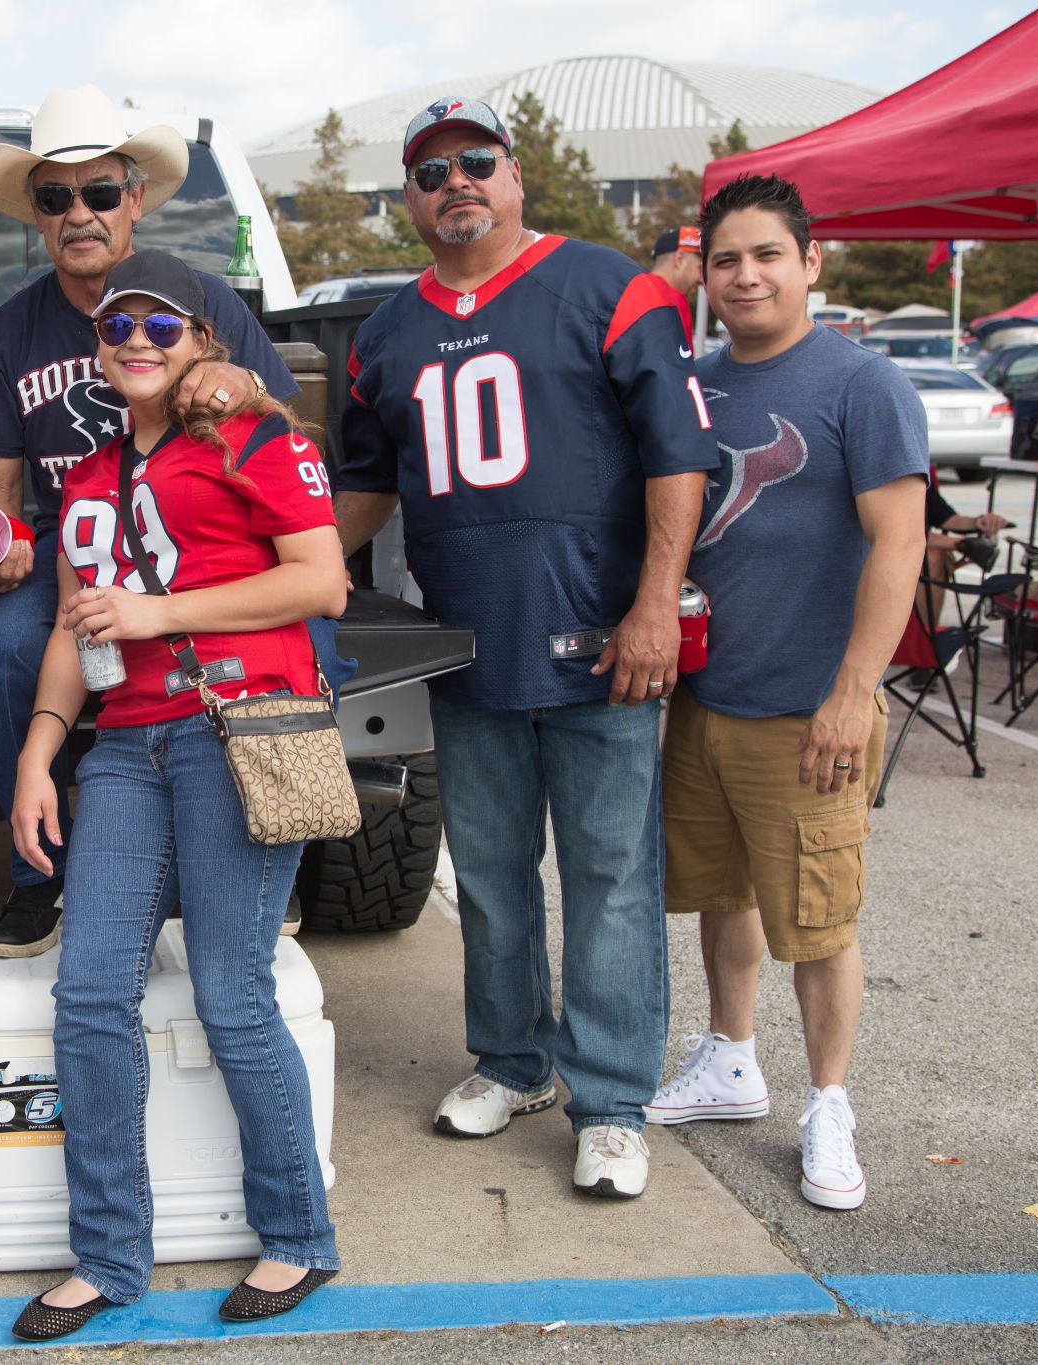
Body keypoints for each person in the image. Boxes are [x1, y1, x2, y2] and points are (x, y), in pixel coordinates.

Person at [333, 97, 717, 1200]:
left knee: (608, 878)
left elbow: (674, 458)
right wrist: (269, 562)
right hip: (469, 645)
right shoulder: (386, 334)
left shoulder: (608, 287)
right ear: (407, 199)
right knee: (494, 880)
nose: (453, 180)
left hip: (604, 640)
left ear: (513, 176)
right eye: (428, 170)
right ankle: (514, 1061)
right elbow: (361, 493)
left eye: (474, 161)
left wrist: (655, 602)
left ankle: (609, 1102)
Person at [9, 252, 346, 1342]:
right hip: (122, 746)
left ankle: (297, 1234)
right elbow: (75, 622)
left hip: (233, 731)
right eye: (118, 328)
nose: (138, 343)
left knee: (229, 990)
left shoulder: (254, 438)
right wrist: (37, 752)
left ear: (202, 341)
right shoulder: (88, 472)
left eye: (161, 327)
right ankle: (109, 1255)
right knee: (87, 994)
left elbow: (319, 580)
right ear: (96, 348)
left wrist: (163, 616)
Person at [0, 84, 305, 959]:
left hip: (202, 539)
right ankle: (41, 872)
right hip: (74, 543)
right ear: (36, 216)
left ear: (135, 199)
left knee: (315, 639)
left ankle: (268, 846)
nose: (79, 212)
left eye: (100, 192)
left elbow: (284, 425)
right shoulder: (8, 333)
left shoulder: (203, 298)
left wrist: (241, 390)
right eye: (55, 196)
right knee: (2, 646)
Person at [645, 174, 928, 1214]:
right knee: (723, 890)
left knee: (816, 919)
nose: (745, 274)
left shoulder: (861, 383)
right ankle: (728, 1058)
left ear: (809, 263)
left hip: (808, 706)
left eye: (766, 254)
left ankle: (828, 1104)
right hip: (704, 698)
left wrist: (854, 691)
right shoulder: (693, 381)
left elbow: (897, 543)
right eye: (725, 260)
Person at [921, 477, 1008, 627]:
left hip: (919, 549)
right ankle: (925, 636)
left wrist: (979, 522)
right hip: (887, 552)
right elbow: (899, 532)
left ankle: (927, 635)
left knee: (934, 556)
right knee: (932, 557)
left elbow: (948, 519)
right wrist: (959, 544)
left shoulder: (917, 475)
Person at [649, 224, 703, 338]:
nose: (701, 280)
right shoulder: (674, 302)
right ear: (679, 259)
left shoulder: (631, 291)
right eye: (700, 267)